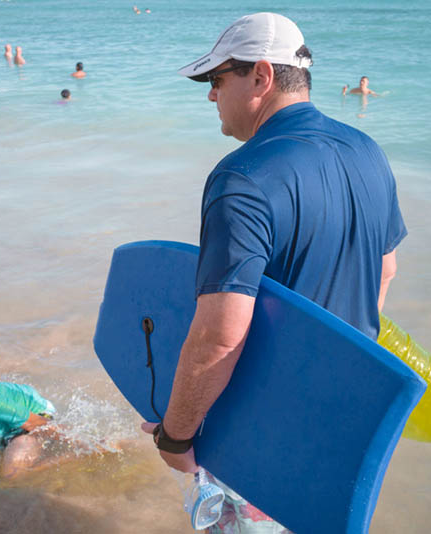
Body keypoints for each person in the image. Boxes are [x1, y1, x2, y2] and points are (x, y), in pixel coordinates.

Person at [139, 12, 407, 533]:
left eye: (217, 80)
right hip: (342, 412)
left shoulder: (242, 176)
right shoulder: (368, 151)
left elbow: (221, 335)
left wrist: (176, 435)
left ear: (261, 76)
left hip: (263, 427)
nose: (211, 95)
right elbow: (386, 272)